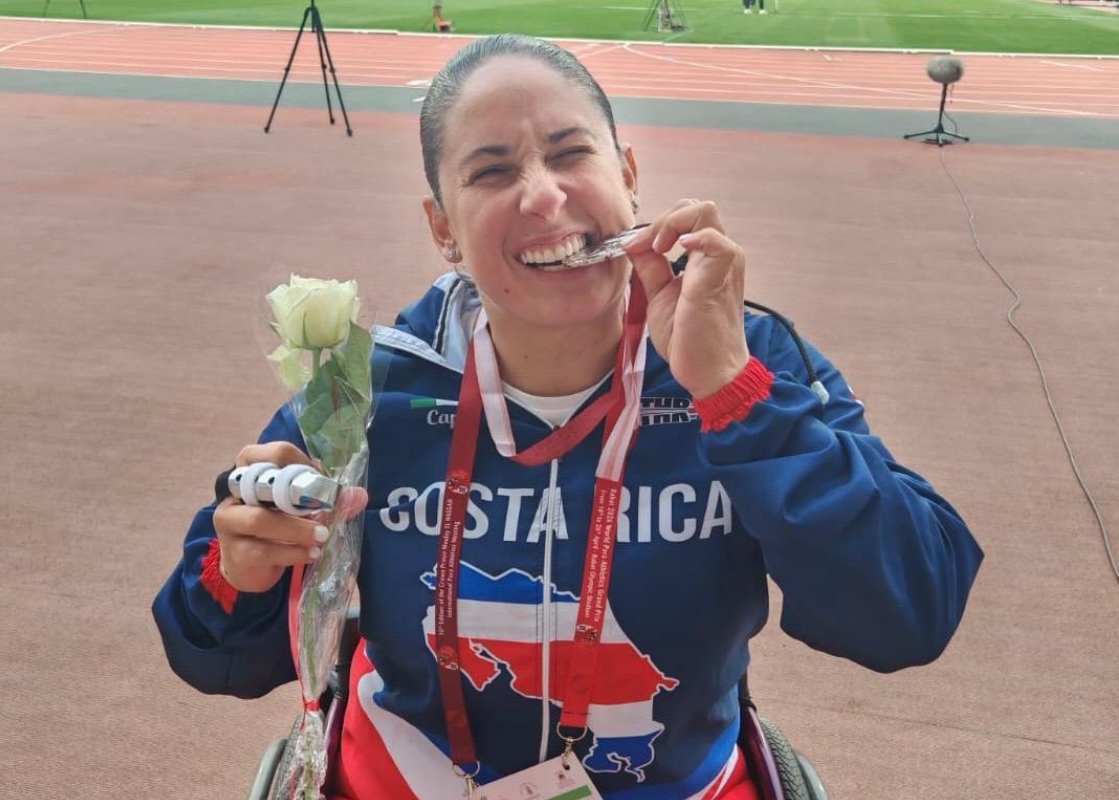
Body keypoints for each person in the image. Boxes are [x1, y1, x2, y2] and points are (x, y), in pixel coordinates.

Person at [153, 33, 983, 800]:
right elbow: (212, 654)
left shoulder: (748, 358)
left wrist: (732, 393)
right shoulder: (369, 388)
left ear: (628, 174)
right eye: (489, 172)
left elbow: (909, 613)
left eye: (569, 152)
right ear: (442, 230)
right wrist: (243, 565)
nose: (544, 197)